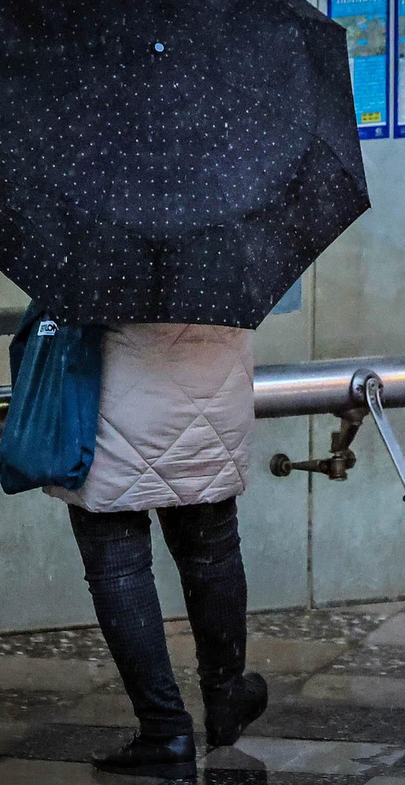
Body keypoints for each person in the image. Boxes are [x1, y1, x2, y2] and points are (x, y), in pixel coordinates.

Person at [47, 322, 268, 779]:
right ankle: (226, 694)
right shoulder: (225, 273)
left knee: (118, 569)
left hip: (107, 404)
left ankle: (165, 728)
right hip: (211, 394)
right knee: (212, 553)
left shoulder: (90, 269)